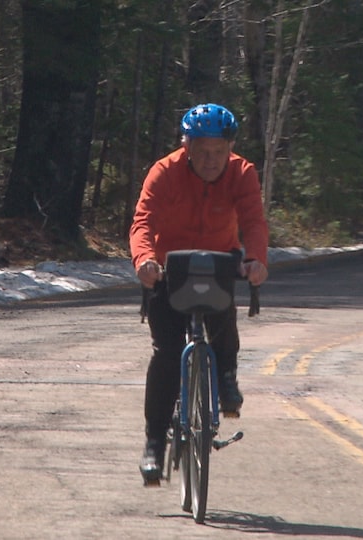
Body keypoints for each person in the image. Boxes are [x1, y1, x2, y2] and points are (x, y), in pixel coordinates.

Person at [129, 103, 269, 484]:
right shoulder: (164, 172)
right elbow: (143, 221)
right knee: (168, 353)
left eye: (219, 152)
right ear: (186, 145)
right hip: (169, 269)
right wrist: (144, 260)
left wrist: (255, 260)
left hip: (218, 262)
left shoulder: (242, 173)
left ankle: (226, 377)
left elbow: (254, 222)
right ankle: (154, 444)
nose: (211, 161)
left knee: (223, 319)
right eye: (202, 151)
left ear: (230, 147)